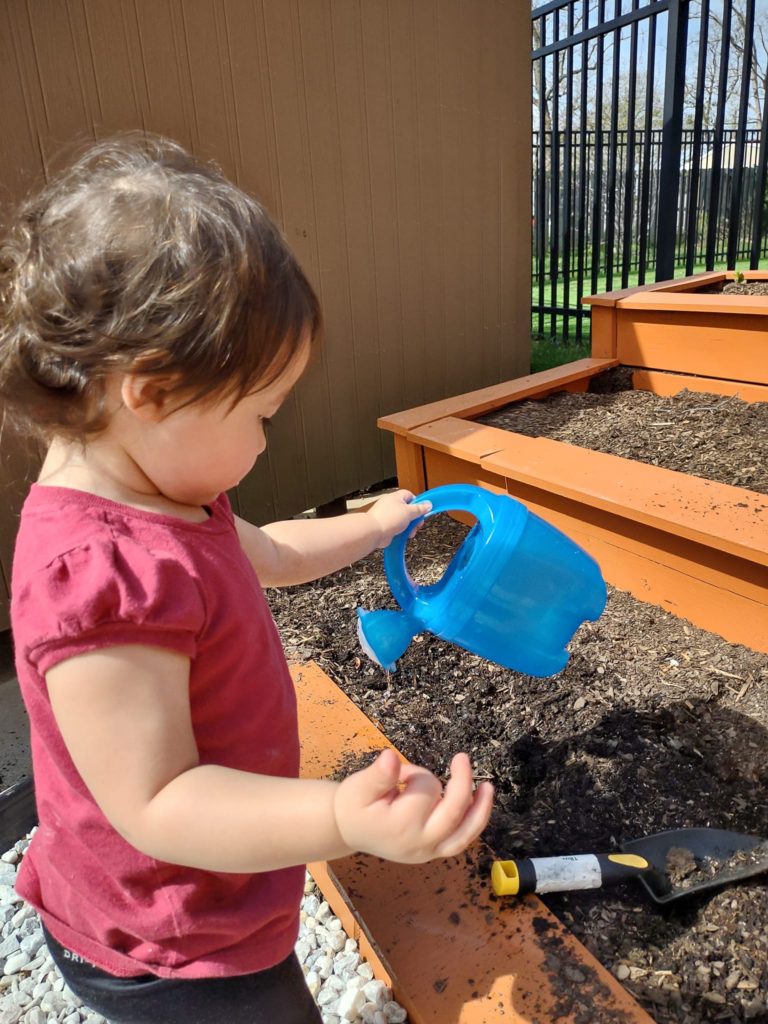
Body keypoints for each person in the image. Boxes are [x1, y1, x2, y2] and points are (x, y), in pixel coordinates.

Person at [0, 134, 494, 1024]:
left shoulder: (173, 495)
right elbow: (159, 801)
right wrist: (342, 819)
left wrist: (375, 524)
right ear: (147, 390)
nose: (266, 444)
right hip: (172, 941)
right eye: (261, 414)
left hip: (214, 892)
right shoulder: (99, 581)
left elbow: (270, 556)